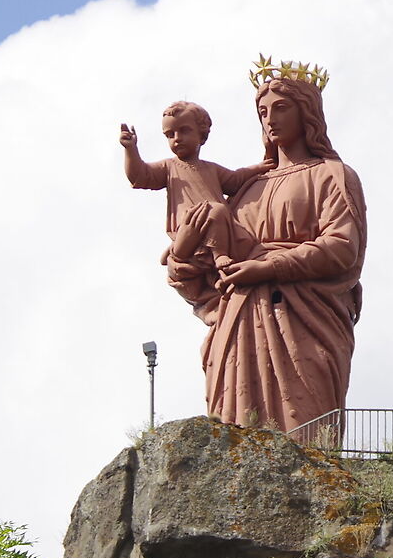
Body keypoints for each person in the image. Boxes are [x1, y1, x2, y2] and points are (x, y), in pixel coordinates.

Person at [152, 72, 367, 432]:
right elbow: (202, 276)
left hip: (304, 318)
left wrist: (268, 267)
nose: (270, 118)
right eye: (263, 111)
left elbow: (342, 247)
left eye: (281, 108)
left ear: (307, 113)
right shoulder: (245, 189)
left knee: (304, 430)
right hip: (237, 323)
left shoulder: (332, 175)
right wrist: (182, 252)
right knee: (235, 437)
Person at [118, 102, 270, 278]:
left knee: (221, 213)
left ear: (202, 135)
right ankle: (219, 254)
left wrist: (260, 167)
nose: (176, 138)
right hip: (189, 221)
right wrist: (131, 149)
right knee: (218, 209)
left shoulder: (211, 169)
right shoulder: (169, 167)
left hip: (216, 222)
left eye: (184, 131)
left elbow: (235, 179)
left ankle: (205, 251)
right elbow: (139, 175)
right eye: (170, 135)